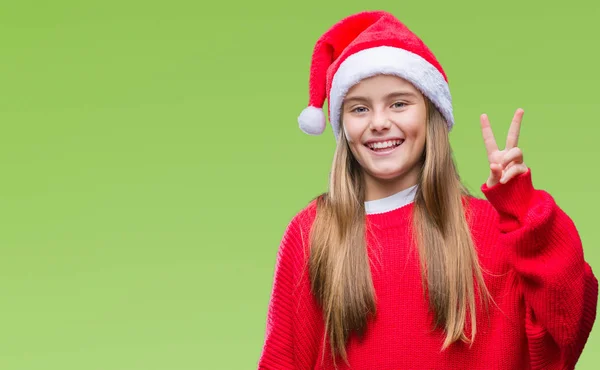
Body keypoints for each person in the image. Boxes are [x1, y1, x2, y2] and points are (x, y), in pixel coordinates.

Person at [257, 10, 598, 370]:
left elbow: (566, 326)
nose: (379, 123)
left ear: (431, 114)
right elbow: (284, 361)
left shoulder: (491, 230)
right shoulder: (312, 233)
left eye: (399, 103)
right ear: (343, 127)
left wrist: (524, 210)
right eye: (359, 108)